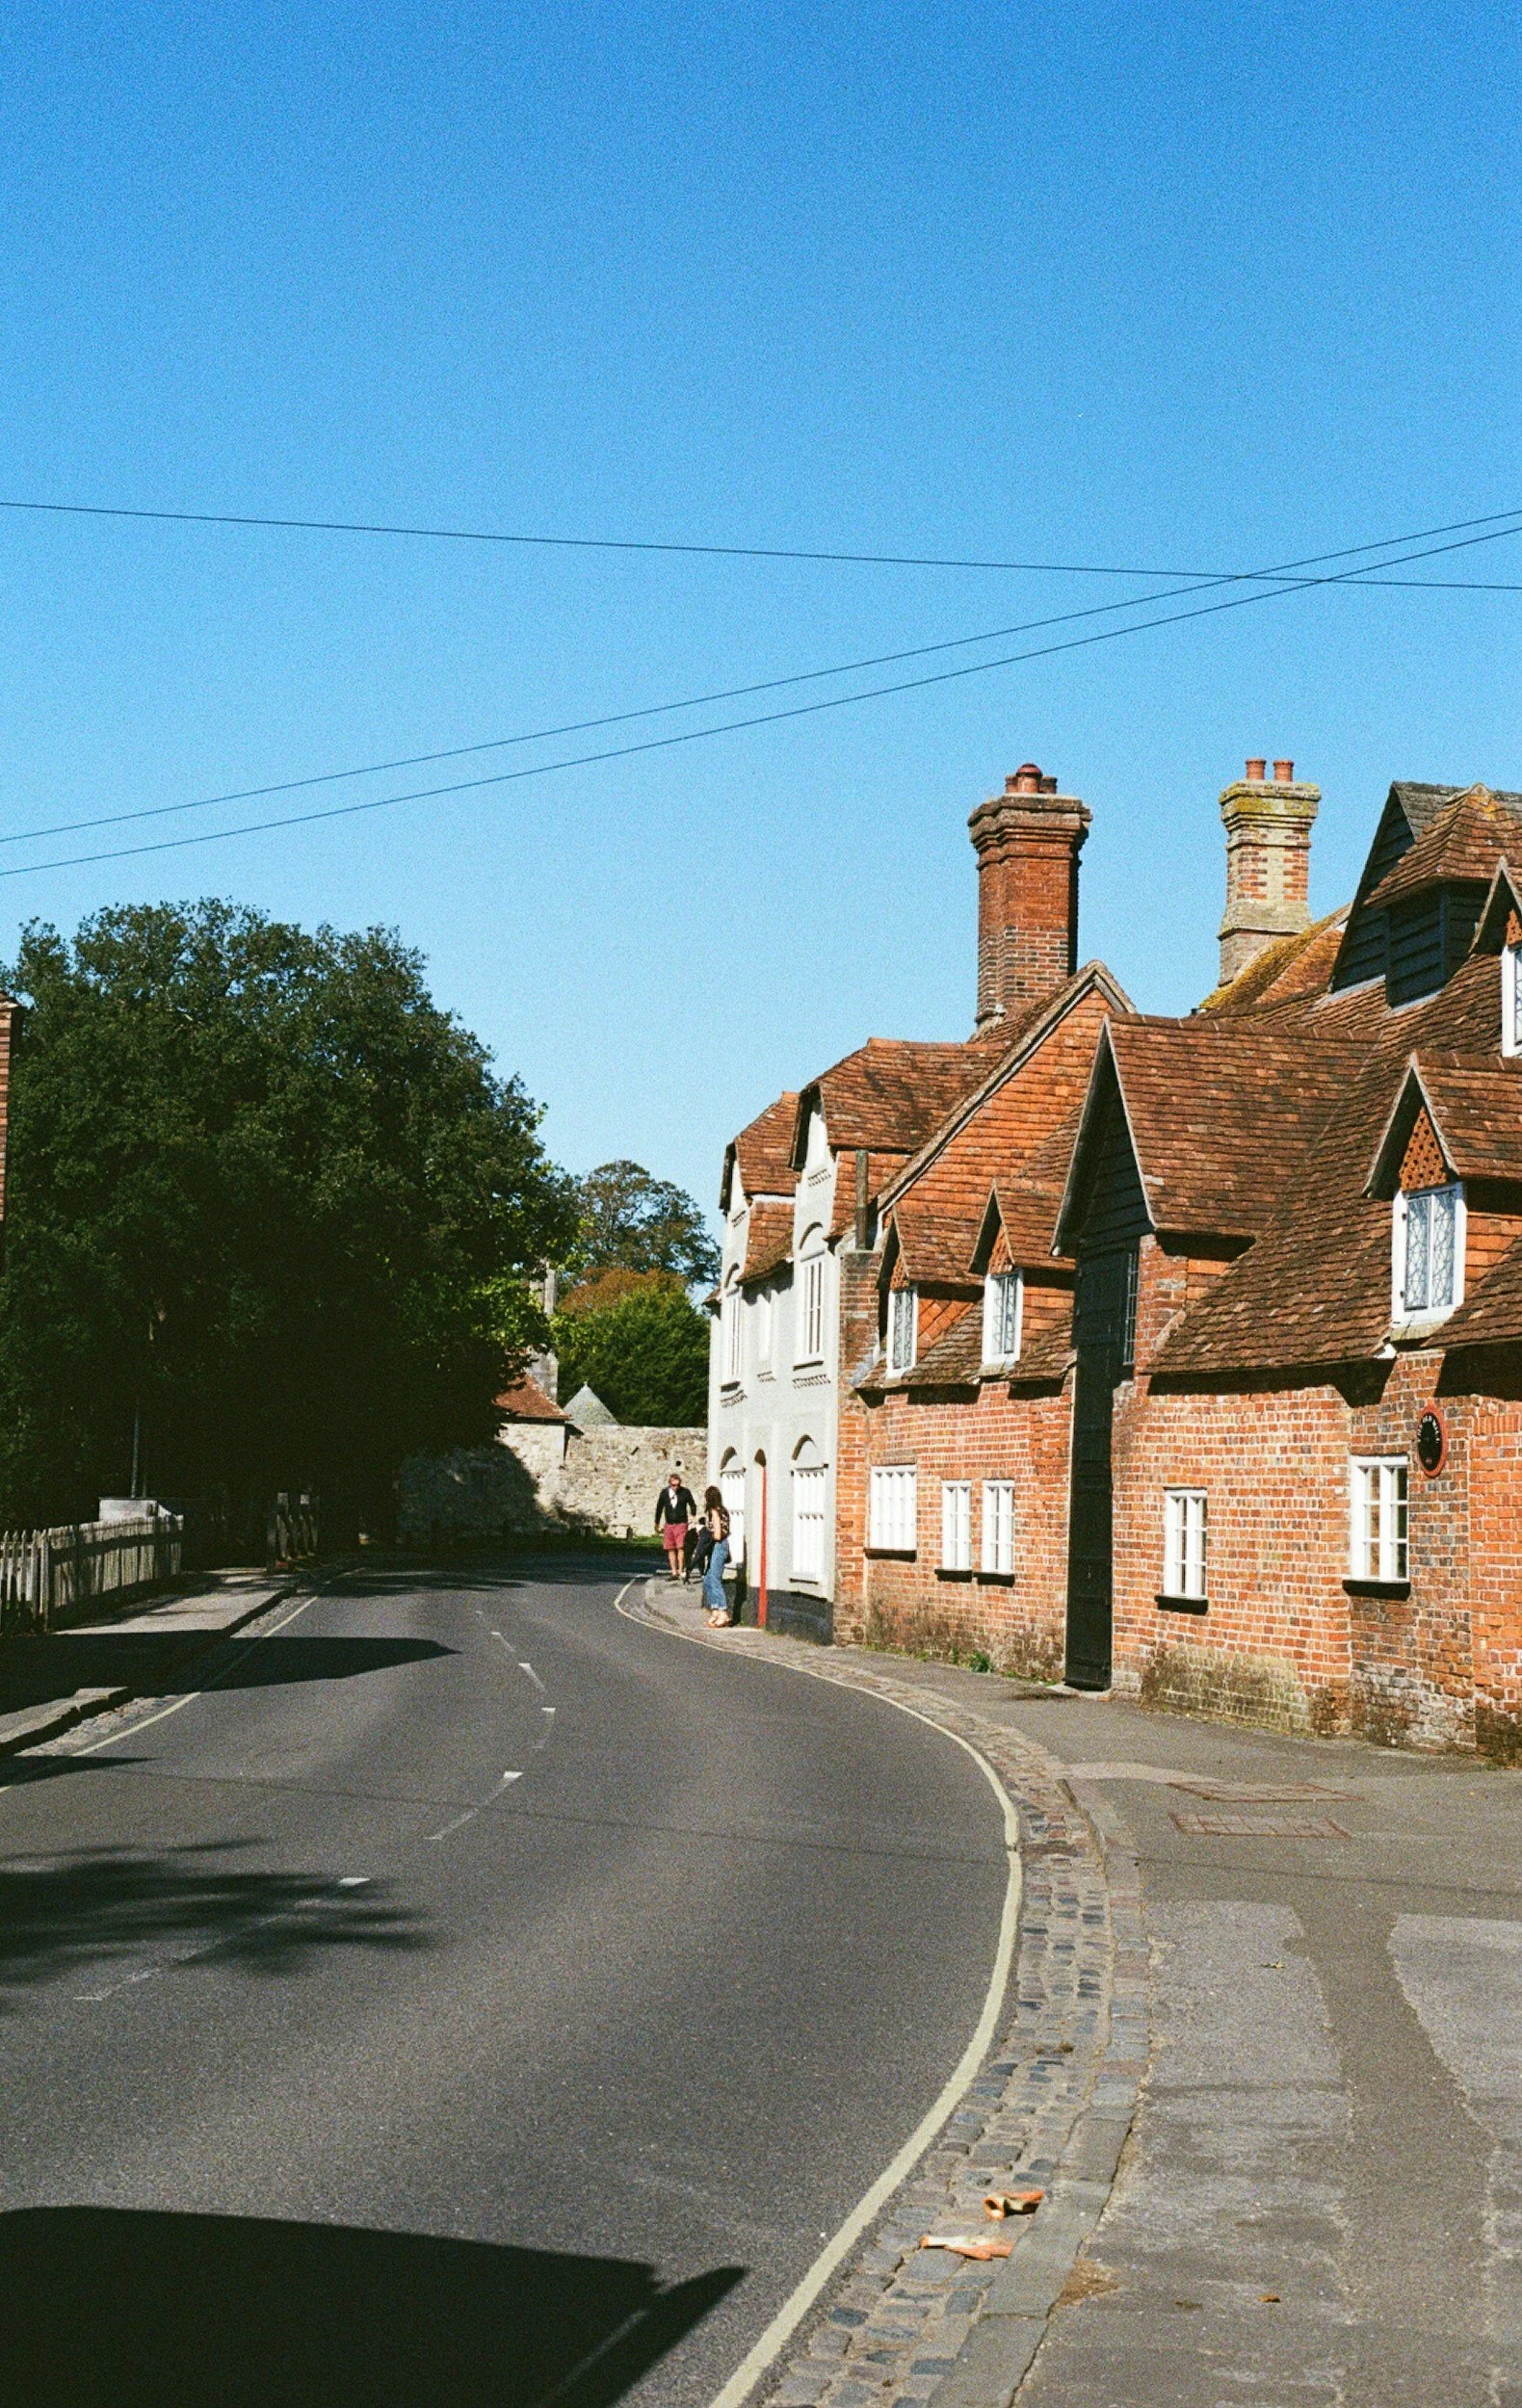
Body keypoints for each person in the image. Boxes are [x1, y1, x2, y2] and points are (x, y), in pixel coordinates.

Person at [654, 1472, 696, 1583]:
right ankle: (674, 1572)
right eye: (673, 1485)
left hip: (681, 1523)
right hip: (669, 1524)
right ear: (669, 1484)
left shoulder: (685, 1492)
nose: (676, 1487)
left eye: (678, 1485)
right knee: (670, 1548)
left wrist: (693, 1514)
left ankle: (681, 1570)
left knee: (680, 1547)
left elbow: (692, 1504)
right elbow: (659, 1508)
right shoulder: (664, 1493)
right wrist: (656, 1523)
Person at [699, 1485, 732, 1627]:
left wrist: (707, 1535)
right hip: (721, 1546)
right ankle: (715, 1610)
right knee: (707, 1579)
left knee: (715, 1579)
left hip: (718, 1546)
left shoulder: (714, 1512)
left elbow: (718, 1534)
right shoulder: (723, 1510)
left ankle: (723, 1612)